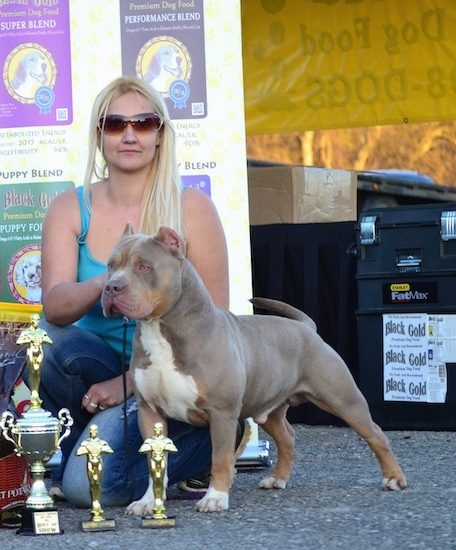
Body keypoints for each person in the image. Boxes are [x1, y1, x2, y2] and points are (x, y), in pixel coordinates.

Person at [23, 76, 236, 507]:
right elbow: (56, 307)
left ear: (160, 134)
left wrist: (128, 384)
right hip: (95, 368)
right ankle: (87, 436)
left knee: (86, 490)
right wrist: (114, 277)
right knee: (44, 339)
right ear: (99, 134)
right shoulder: (70, 207)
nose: (130, 134)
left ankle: (209, 446)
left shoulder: (191, 208)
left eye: (143, 122)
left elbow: (218, 328)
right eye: (115, 123)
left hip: (174, 377)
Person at [76, 424, 114, 521]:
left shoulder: (101, 442)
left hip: (98, 462)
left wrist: (101, 448)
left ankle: (97, 506)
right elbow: (78, 452)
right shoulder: (86, 442)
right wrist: (86, 449)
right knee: (92, 483)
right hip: (90, 463)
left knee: (98, 482)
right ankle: (95, 505)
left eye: (95, 431)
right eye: (92, 431)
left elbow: (110, 451)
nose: (93, 433)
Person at [16, 313, 52, 410]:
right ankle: (33, 394)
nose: (35, 322)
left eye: (37, 320)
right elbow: (19, 341)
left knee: (37, 372)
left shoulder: (41, 331)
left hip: (39, 352)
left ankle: (36, 393)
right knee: (32, 373)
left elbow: (50, 341)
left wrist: (41, 339)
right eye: (33, 320)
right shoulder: (26, 332)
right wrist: (29, 339)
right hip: (31, 352)